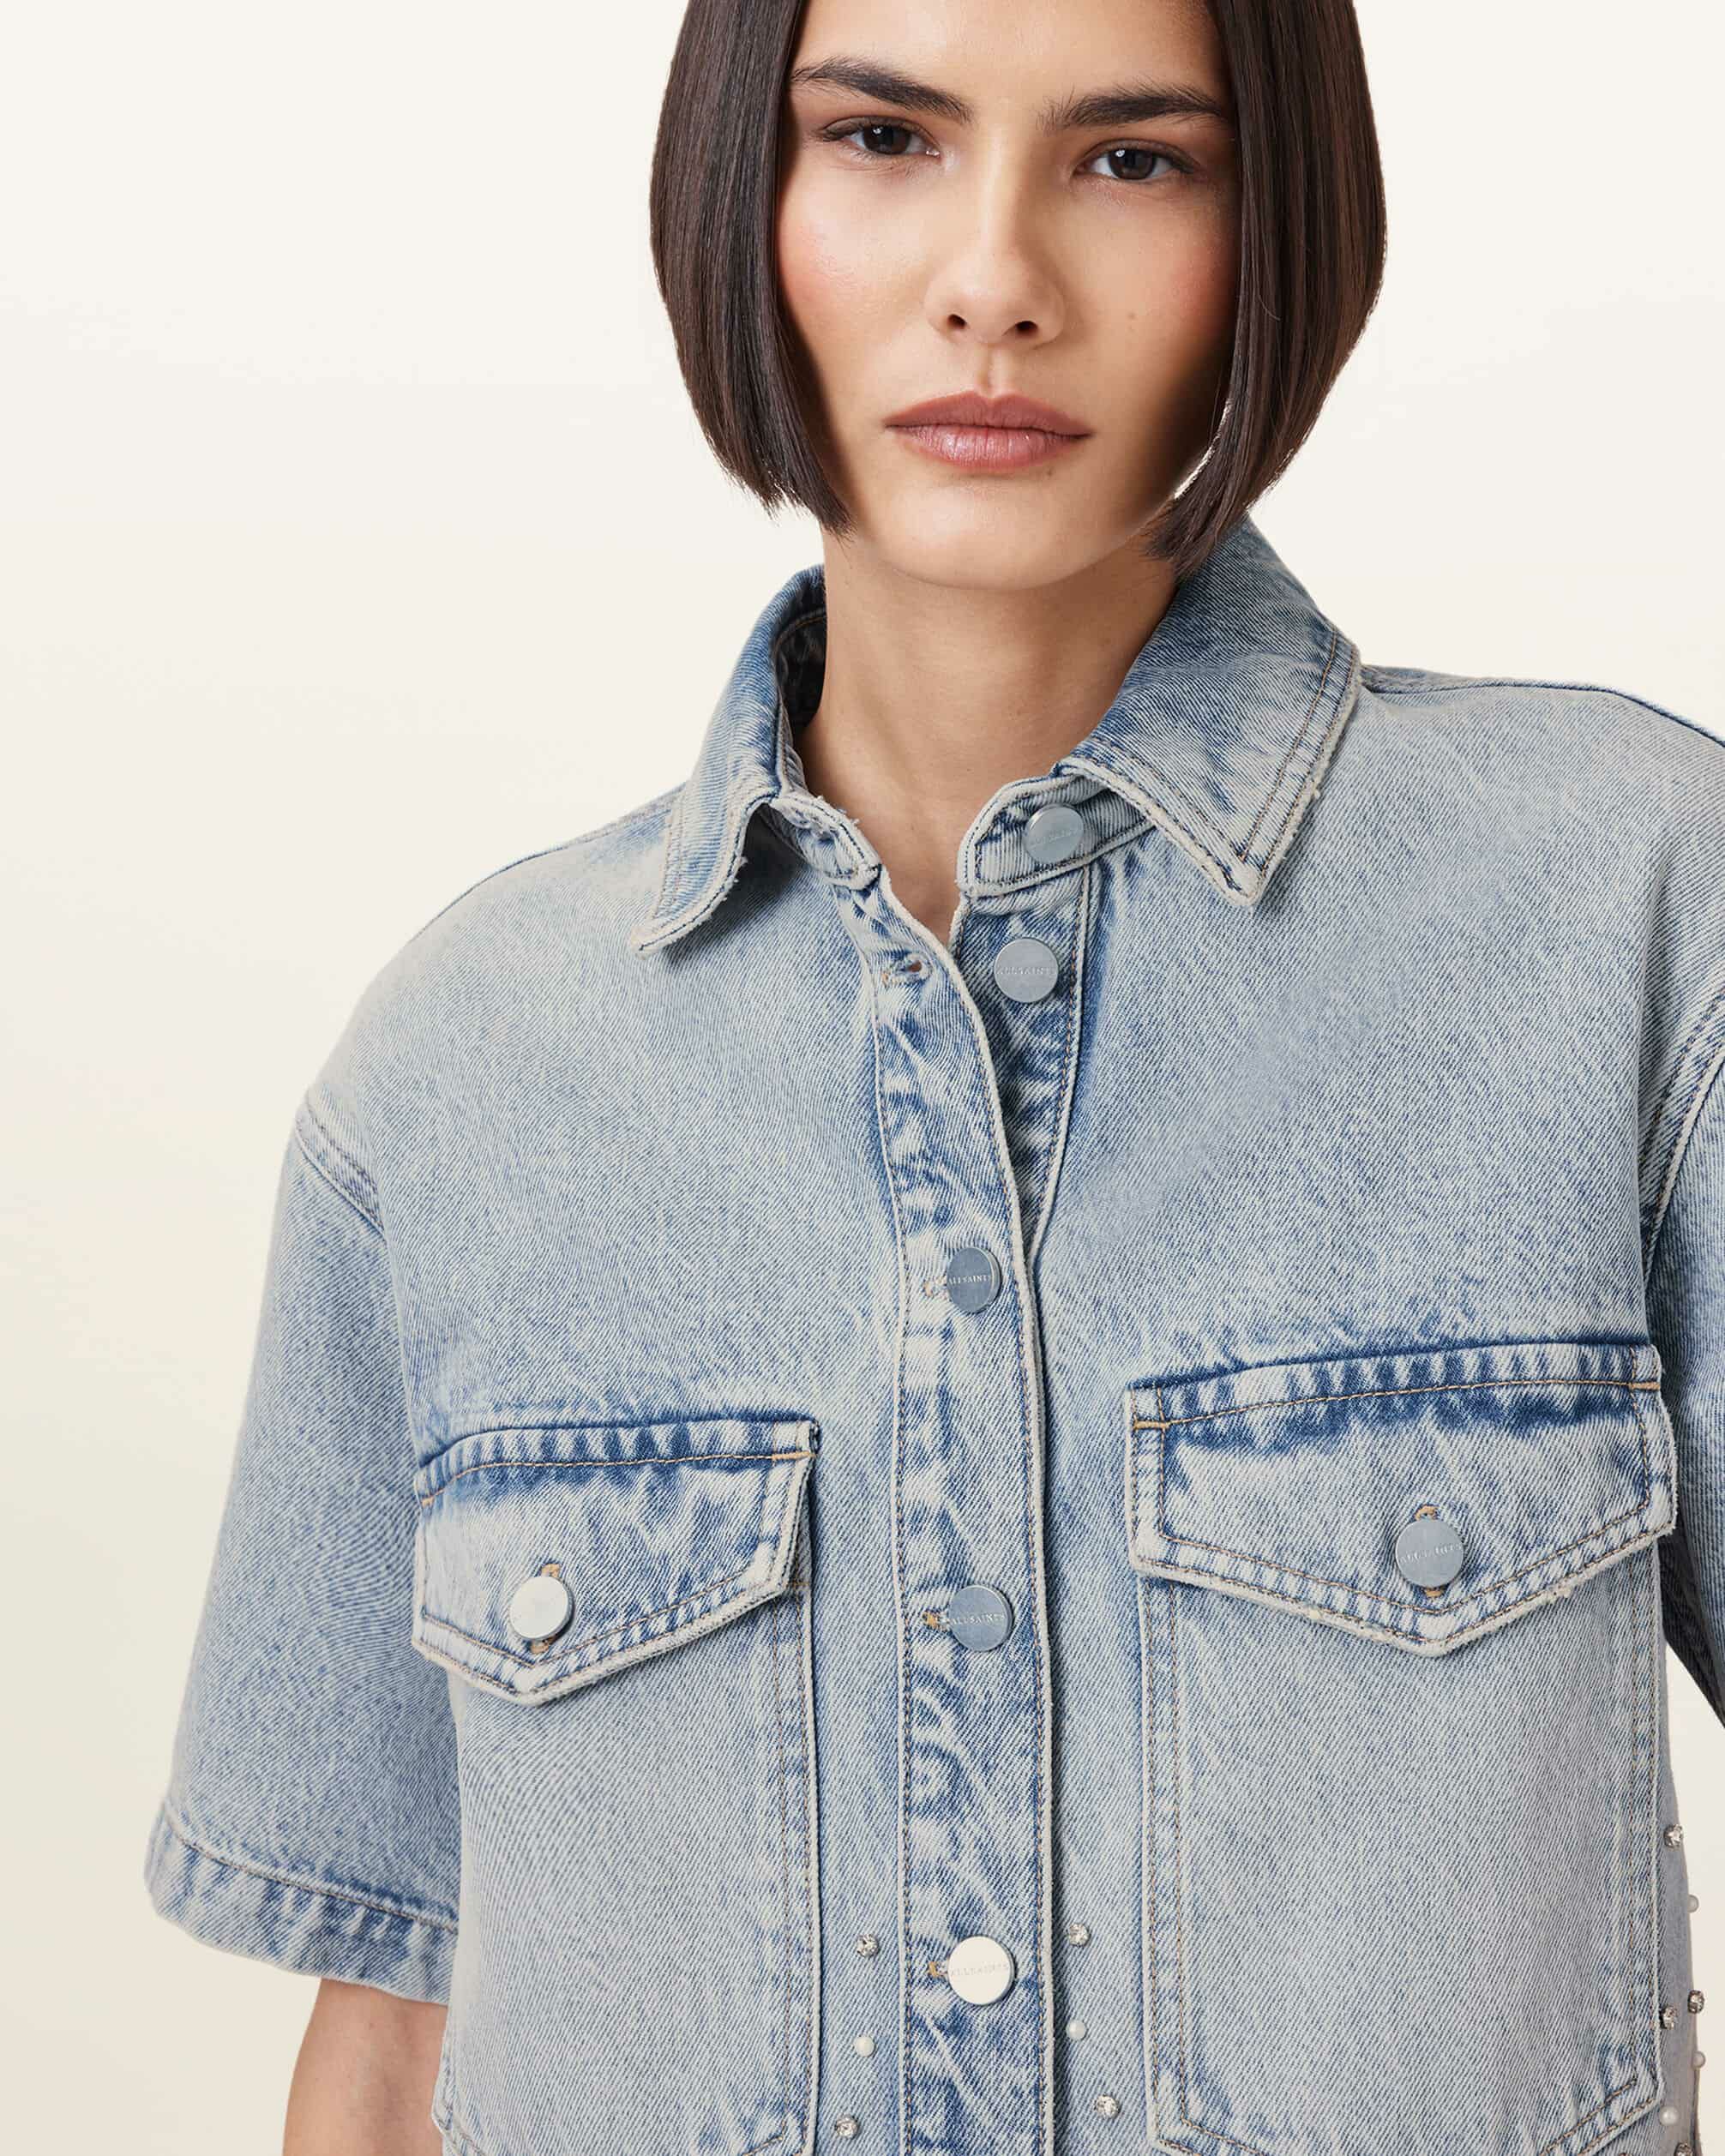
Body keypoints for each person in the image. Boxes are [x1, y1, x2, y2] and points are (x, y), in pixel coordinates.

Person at [144, 0, 1725, 2151]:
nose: (996, 278)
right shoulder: (458, 1079)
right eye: (885, 137)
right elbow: (395, 2034)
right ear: (745, 187)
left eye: (1133, 159)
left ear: (1278, 220)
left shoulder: (1625, 916)